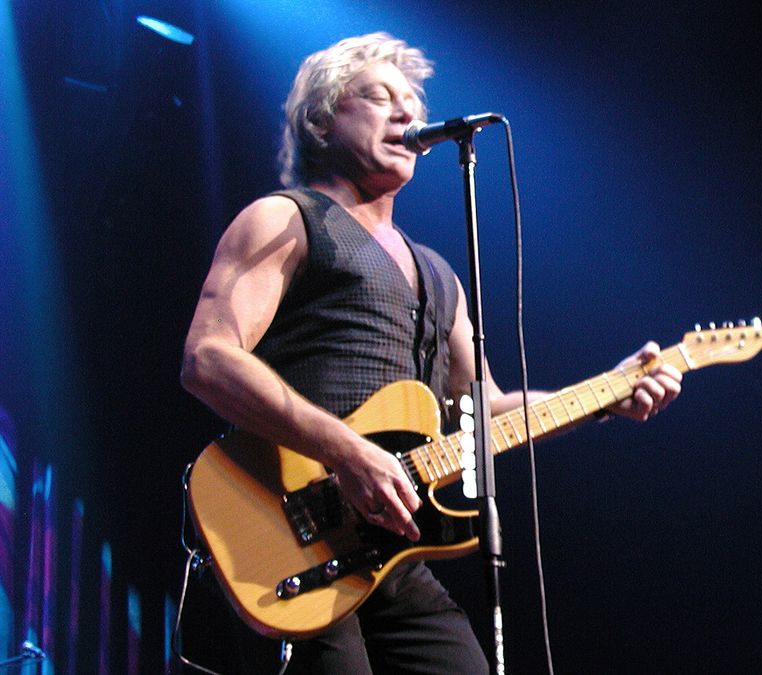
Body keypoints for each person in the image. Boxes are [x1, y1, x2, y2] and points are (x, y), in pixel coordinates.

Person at [180, 32, 683, 673]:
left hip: (389, 547)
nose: (405, 113)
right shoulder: (284, 219)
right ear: (320, 119)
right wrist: (346, 449)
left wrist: (606, 394)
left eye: (412, 99)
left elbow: (486, 410)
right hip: (287, 526)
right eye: (378, 96)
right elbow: (209, 357)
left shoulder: (439, 274)